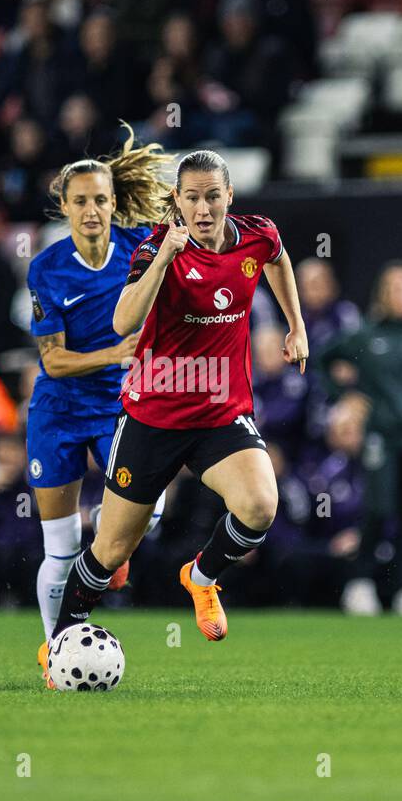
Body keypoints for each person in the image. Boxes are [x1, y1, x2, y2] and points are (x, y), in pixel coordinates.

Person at [44, 147, 309, 683]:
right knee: (110, 551)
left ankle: (202, 576)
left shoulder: (257, 235)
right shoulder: (153, 250)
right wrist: (165, 254)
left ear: (229, 197)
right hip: (153, 418)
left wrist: (295, 325)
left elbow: (278, 257)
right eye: (192, 198)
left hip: (220, 414)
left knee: (260, 505)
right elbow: (122, 321)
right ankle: (60, 641)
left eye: (213, 196)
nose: (204, 208)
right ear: (178, 202)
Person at [26, 125, 171, 656]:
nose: (92, 210)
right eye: (81, 201)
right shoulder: (46, 269)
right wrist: (114, 353)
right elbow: (54, 360)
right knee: (61, 549)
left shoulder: (140, 249)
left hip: (122, 409)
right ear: (64, 206)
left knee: (148, 512)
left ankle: (116, 544)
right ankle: (54, 650)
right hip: (58, 412)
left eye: (102, 200)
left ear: (115, 204)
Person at [319, 262, 402, 613]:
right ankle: (360, 583)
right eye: (393, 288)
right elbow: (324, 358)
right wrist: (343, 395)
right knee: (379, 509)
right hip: (381, 438)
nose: (400, 295)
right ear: (382, 295)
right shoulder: (366, 334)